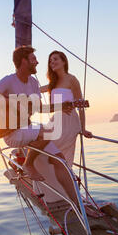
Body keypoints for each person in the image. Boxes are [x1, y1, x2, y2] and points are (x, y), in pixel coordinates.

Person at [0, 46, 75, 193]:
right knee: (49, 129)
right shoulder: (9, 80)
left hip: (29, 129)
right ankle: (28, 164)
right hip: (12, 133)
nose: (37, 62)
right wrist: (14, 102)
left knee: (60, 160)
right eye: (33, 59)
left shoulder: (33, 83)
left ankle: (78, 204)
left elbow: (38, 108)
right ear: (24, 62)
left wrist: (61, 107)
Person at [36, 50, 93, 206]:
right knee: (41, 148)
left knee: (48, 150)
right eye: (50, 60)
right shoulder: (51, 84)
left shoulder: (72, 80)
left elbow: (81, 106)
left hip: (69, 122)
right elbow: (34, 91)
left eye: (55, 59)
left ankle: (68, 191)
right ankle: (62, 190)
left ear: (63, 61)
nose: (52, 62)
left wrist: (83, 128)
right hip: (56, 121)